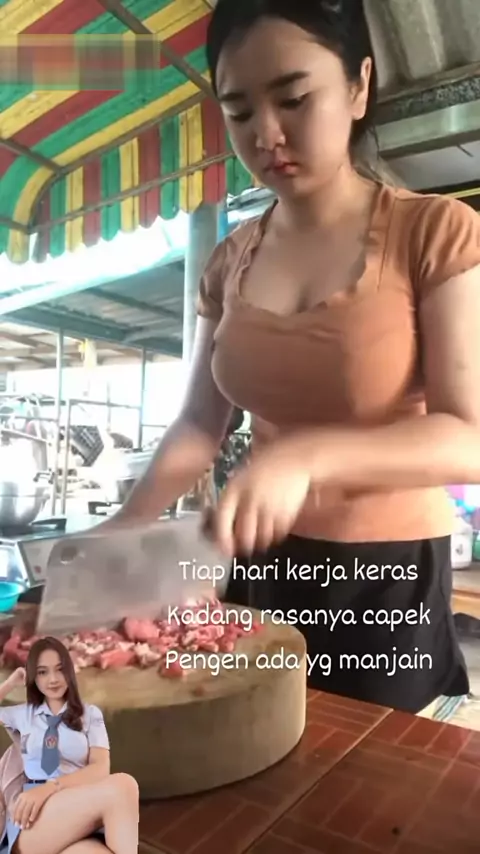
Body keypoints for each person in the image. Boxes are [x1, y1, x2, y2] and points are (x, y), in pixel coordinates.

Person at [107, 0, 480, 715]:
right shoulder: (228, 261)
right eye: (239, 111)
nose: (266, 134)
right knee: (251, 737)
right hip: (257, 557)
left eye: (294, 98)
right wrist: (124, 526)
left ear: (359, 87)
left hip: (384, 578)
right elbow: (199, 425)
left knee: (362, 769)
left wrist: (306, 458)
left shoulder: (435, 232)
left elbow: (469, 436)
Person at [0, 636, 139, 854]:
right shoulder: (23, 715)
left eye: (59, 669)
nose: (53, 679)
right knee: (124, 785)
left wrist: (52, 787)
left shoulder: (90, 715)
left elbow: (100, 768)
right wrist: (10, 683)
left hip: (79, 806)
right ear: (34, 677)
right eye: (43, 672)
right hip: (33, 815)